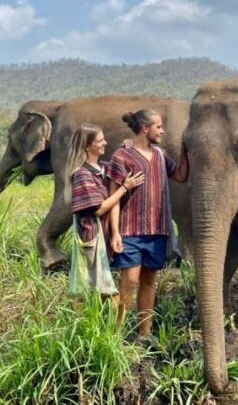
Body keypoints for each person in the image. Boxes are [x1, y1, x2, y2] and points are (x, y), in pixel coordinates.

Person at [106, 109, 189, 336]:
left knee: (148, 281)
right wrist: (114, 233)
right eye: (158, 127)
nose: (162, 131)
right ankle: (115, 334)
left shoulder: (161, 156)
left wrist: (185, 150)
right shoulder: (121, 157)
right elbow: (113, 198)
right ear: (145, 128)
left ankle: (145, 333)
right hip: (129, 230)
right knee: (130, 281)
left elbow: (181, 176)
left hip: (157, 230)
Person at [66, 123, 145, 297]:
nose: (105, 143)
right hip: (93, 237)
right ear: (87, 146)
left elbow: (118, 170)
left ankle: (103, 323)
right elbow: (99, 210)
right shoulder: (82, 174)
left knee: (104, 288)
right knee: (96, 290)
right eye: (100, 141)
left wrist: (128, 151)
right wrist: (124, 188)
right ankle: (96, 324)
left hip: (106, 235)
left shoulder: (104, 168)